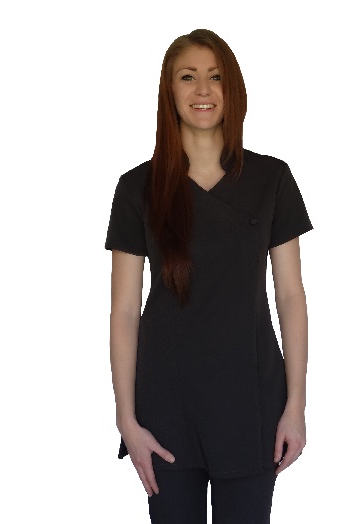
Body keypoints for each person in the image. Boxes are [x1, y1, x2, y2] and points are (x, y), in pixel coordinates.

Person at [105, 28, 313, 524]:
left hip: (252, 402)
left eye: (215, 77)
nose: (203, 90)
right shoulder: (136, 188)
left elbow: (290, 297)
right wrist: (126, 419)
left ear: (232, 88)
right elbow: (124, 311)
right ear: (169, 91)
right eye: (188, 77)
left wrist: (296, 406)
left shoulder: (271, 180)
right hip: (166, 405)